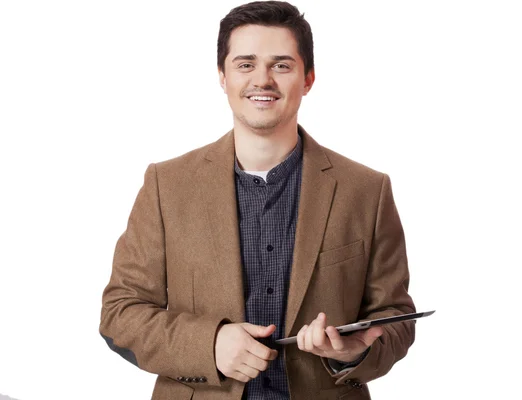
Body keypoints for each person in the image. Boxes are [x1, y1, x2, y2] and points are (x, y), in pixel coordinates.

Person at [99, 1, 416, 399]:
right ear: (222, 75)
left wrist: (353, 353)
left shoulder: (367, 190)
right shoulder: (167, 185)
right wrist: (208, 344)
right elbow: (120, 313)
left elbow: (396, 317)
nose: (262, 80)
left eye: (281, 65)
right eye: (245, 64)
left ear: (308, 78)